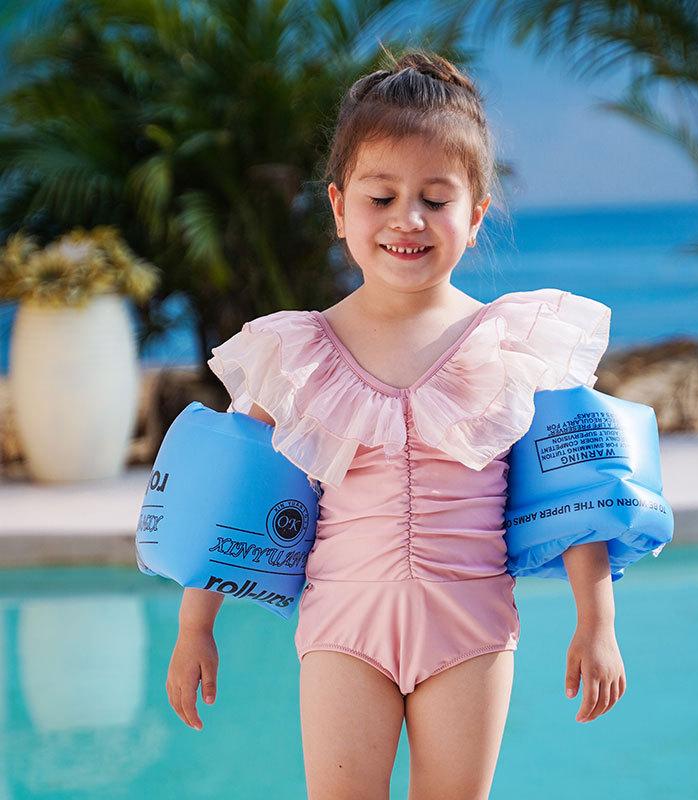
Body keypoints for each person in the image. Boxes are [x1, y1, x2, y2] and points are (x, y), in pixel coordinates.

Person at [166, 47, 624, 800]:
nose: (407, 219)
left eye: (436, 200)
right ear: (339, 207)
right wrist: (195, 628)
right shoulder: (298, 352)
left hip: (469, 630)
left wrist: (595, 622)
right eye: (381, 197)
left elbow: (578, 495)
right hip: (344, 626)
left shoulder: (512, 346)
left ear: (476, 216)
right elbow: (232, 499)